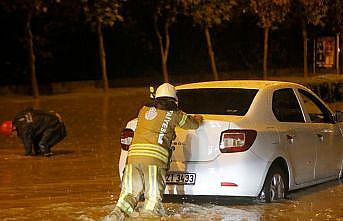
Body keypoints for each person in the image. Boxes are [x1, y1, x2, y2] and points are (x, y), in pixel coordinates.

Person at [108, 83, 203, 220]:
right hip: (154, 162)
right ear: (174, 100)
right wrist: (198, 118)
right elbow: (192, 124)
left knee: (128, 195)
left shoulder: (143, 110)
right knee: (152, 201)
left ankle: (115, 216)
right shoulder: (175, 114)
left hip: (133, 159)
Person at [0, 107, 67, 157]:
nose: (12, 136)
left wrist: (26, 157)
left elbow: (28, 148)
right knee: (37, 149)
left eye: (11, 134)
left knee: (42, 145)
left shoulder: (23, 130)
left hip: (57, 127)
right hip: (51, 118)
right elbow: (29, 108)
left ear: (13, 129)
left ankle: (49, 160)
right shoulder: (18, 116)